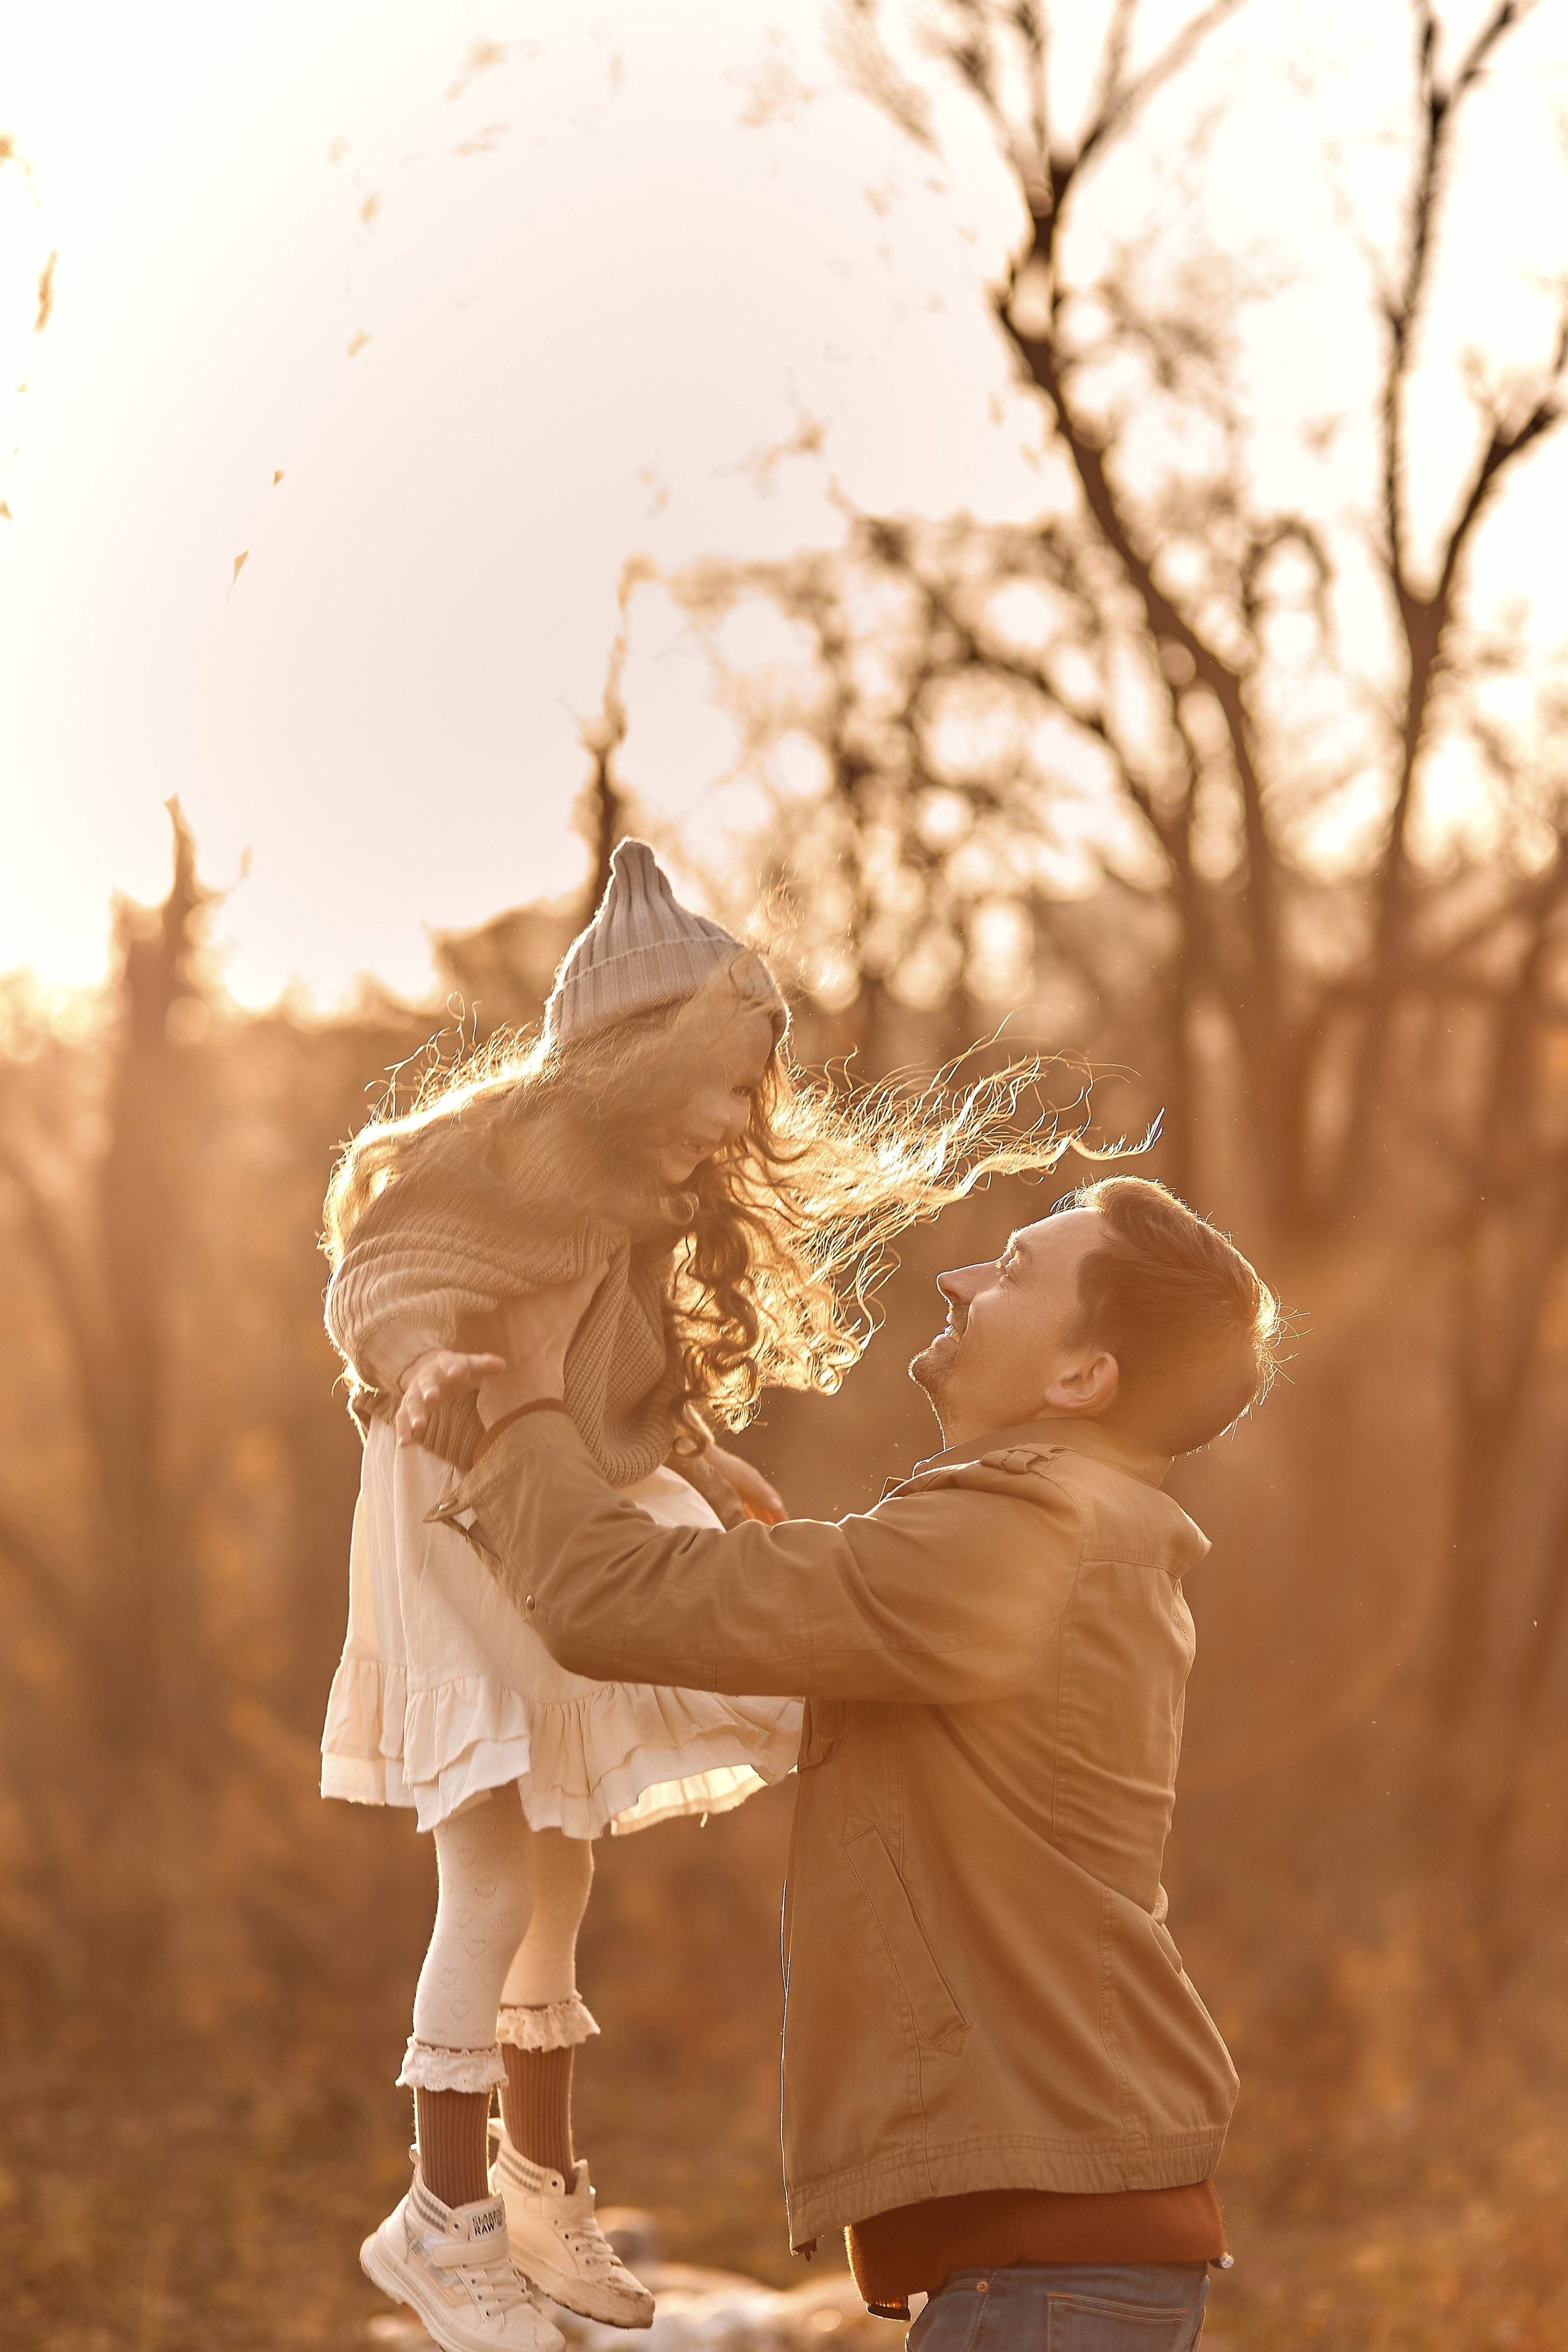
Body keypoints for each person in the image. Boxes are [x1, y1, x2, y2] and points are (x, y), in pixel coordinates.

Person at [318, 841, 1074, 2352]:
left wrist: (704, 1460)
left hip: (551, 1510)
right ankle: (440, 2217)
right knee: (490, 1874)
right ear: (639, 1065)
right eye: (728, 1088)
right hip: (460, 1512)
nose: (744, 1121)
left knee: (563, 1866)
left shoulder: (633, 1204)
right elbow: (380, 1279)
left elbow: (622, 1377)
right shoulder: (508, 1165)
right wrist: (424, 1367)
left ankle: (537, 2191)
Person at [414, 1175, 1281, 2352]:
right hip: (1054, 2259)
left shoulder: (1022, 1541)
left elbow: (608, 1599)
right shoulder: (1057, 1535)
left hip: (1050, 2268)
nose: (962, 1279)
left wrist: (517, 1413)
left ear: (1083, 1379)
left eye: (1016, 1270)